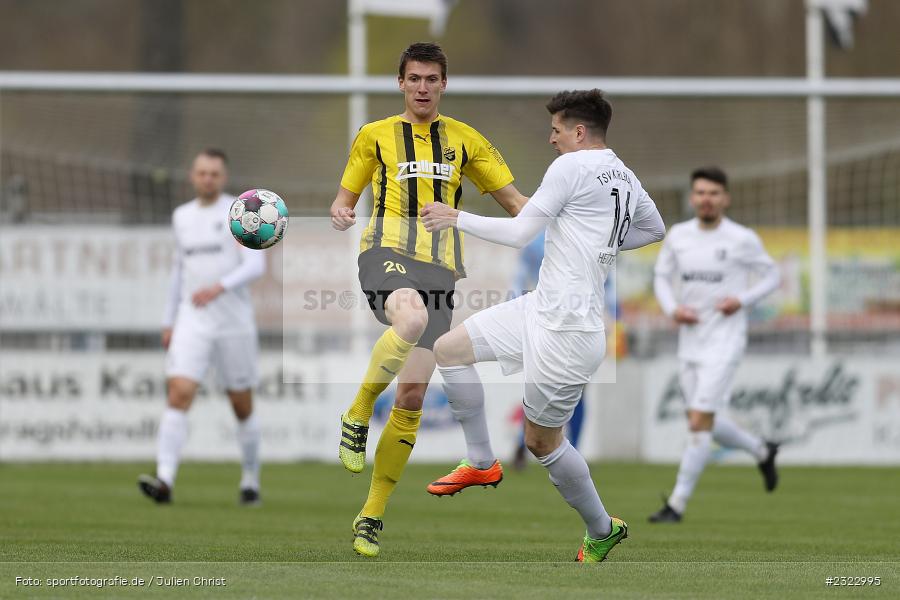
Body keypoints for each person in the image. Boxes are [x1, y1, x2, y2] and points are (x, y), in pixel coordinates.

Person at [421, 89, 666, 562]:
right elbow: (654, 229)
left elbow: (518, 234)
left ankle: (602, 528)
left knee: (541, 441)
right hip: (540, 307)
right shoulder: (626, 175)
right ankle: (480, 461)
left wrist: (455, 217)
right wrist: (598, 238)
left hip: (569, 329)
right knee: (449, 349)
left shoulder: (571, 166)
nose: (550, 139)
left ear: (578, 132)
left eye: (556, 130)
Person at [330, 42, 528, 557]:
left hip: (441, 272)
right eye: (414, 78)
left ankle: (371, 516)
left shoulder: (466, 140)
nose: (422, 87)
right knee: (411, 318)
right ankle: (357, 411)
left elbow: (517, 204)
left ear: (444, 84)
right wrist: (340, 212)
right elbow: (343, 199)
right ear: (400, 83)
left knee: (413, 395)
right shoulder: (374, 136)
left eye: (432, 79)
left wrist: (570, 211)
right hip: (386, 255)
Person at [647, 166, 781, 524]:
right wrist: (674, 309)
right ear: (692, 198)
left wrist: (742, 299)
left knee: (700, 421)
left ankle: (676, 505)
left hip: (725, 341)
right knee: (699, 419)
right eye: (701, 193)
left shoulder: (741, 238)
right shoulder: (678, 235)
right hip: (690, 341)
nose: (707, 199)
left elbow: (772, 275)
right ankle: (761, 450)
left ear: (726, 198)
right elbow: (660, 277)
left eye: (714, 193)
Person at [137, 149, 266, 506]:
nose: (207, 178)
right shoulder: (181, 217)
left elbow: (256, 266)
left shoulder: (241, 212)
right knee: (178, 392)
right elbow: (179, 272)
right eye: (202, 172)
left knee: (241, 404)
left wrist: (218, 287)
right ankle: (164, 479)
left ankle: (250, 479)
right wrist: (169, 321)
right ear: (192, 176)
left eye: (214, 173)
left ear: (223, 177)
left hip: (233, 322)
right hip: (193, 320)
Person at [509, 230, 586, 470]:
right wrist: (513, 308)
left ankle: (575, 450)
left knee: (577, 387)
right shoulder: (535, 238)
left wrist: (616, 315)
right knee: (539, 385)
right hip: (546, 321)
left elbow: (606, 281)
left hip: (579, 321)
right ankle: (525, 443)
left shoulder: (584, 233)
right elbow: (520, 277)